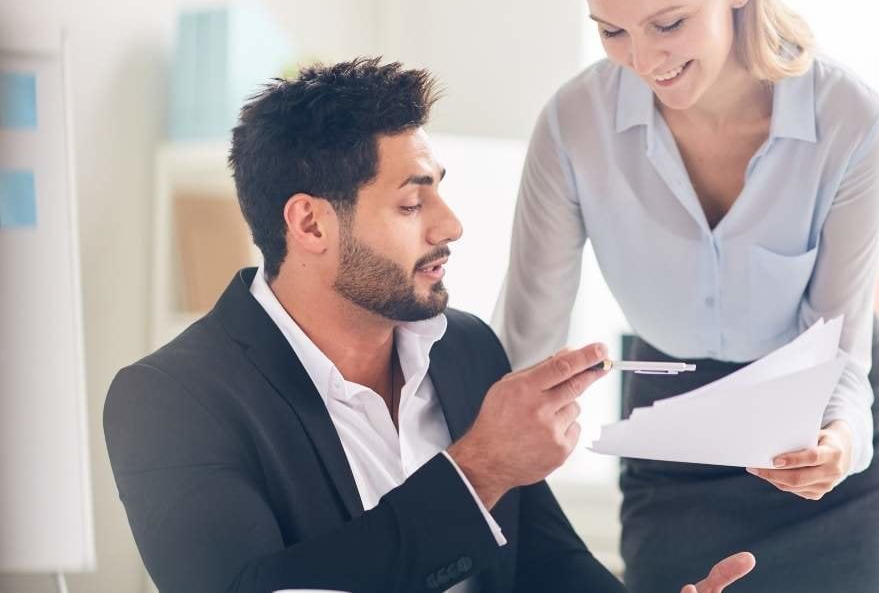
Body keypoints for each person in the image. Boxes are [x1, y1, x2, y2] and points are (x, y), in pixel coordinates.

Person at [103, 57, 754, 593]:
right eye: (412, 201)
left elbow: (546, 564)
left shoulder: (466, 348)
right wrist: (478, 470)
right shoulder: (170, 399)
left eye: (437, 191)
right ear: (309, 224)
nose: (450, 225)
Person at [493, 0, 879, 590]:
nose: (643, 60)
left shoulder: (848, 117)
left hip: (824, 435)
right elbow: (526, 346)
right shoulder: (573, 125)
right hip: (674, 445)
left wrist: (838, 443)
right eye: (613, 30)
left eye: (667, 23)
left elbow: (841, 342)